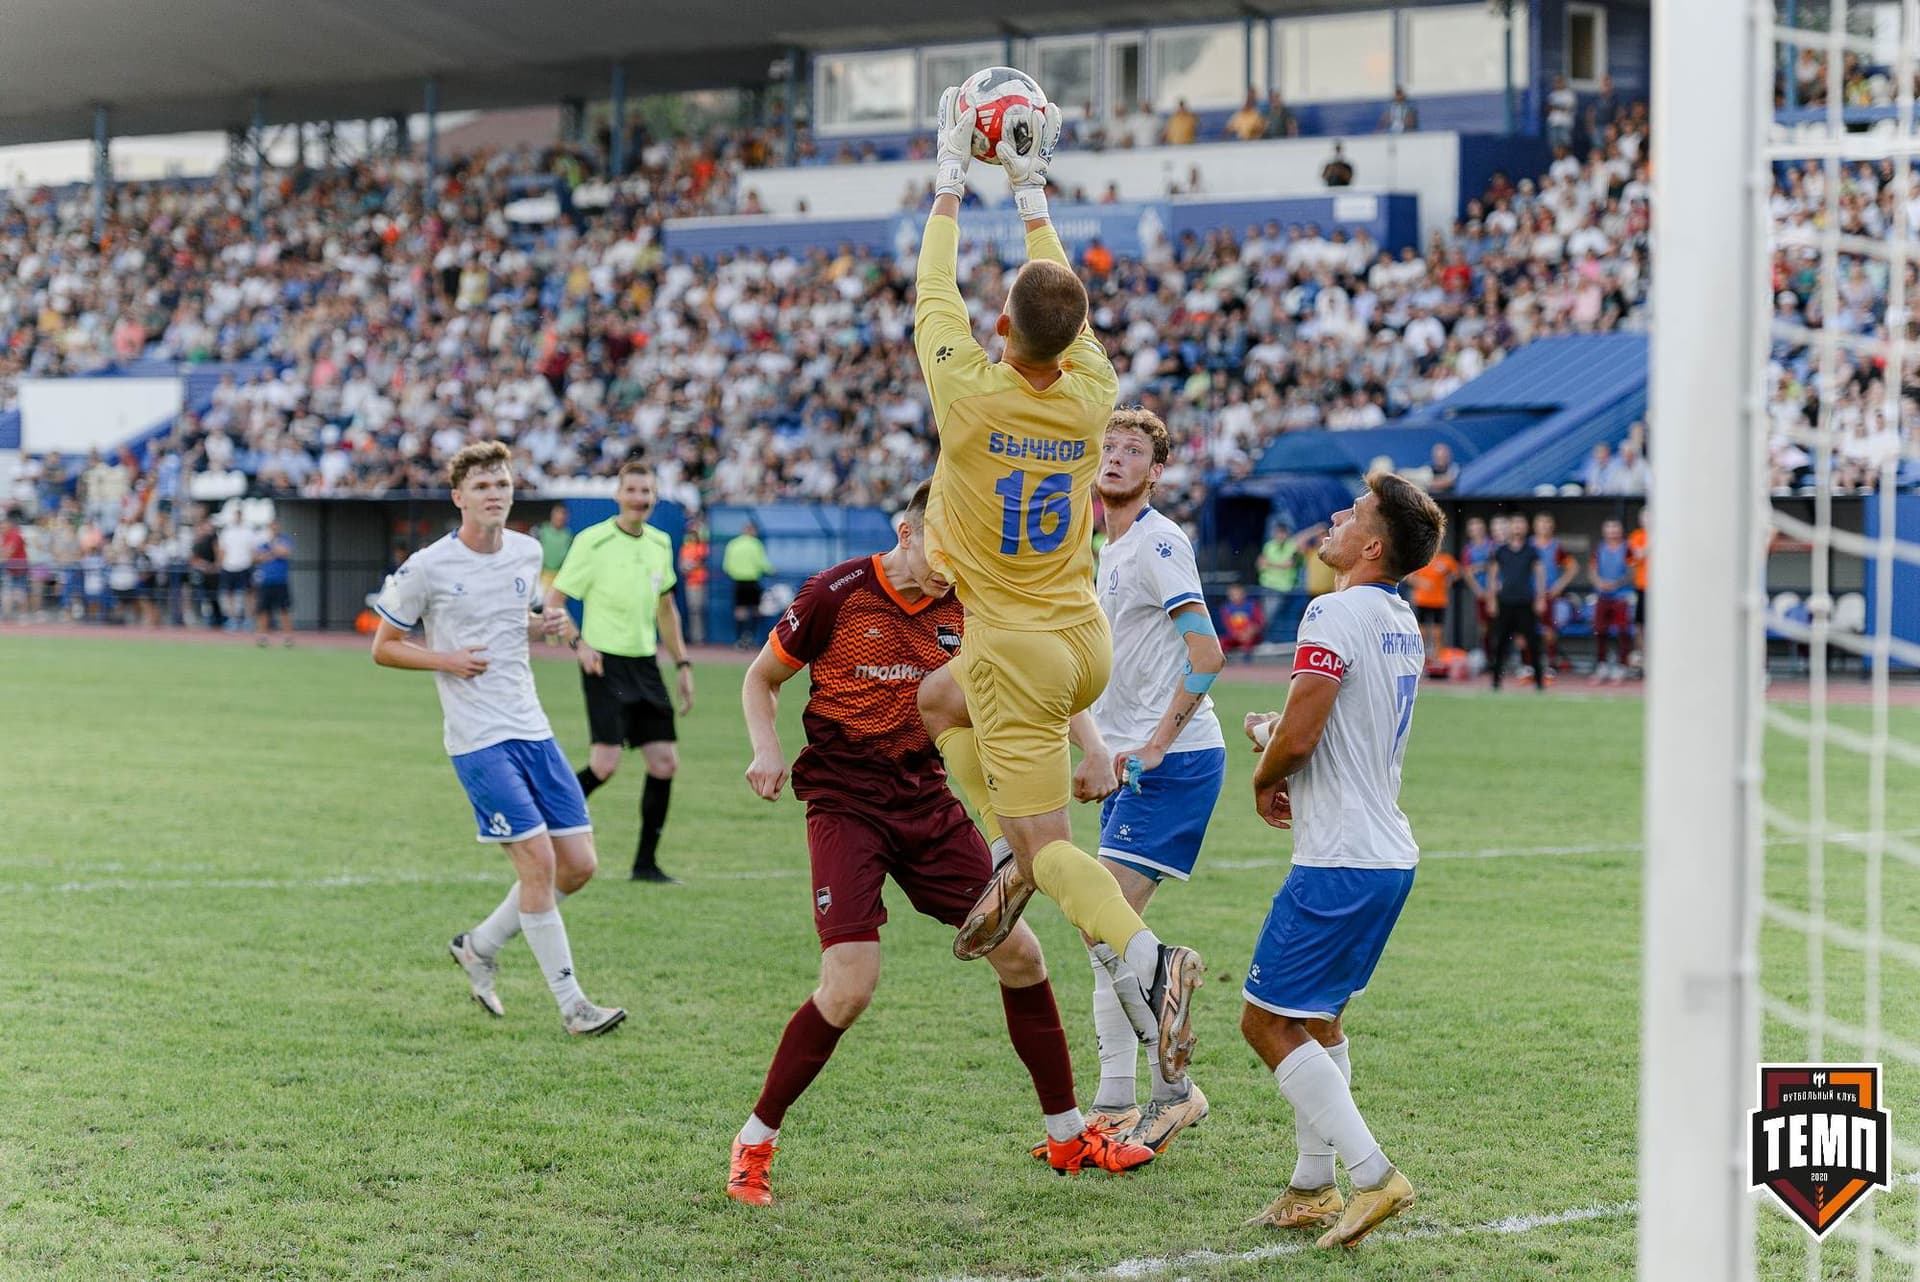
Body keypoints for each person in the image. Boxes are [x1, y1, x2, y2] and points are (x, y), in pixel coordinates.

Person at [729, 481, 1154, 1206]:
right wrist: (765, 749)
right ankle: (754, 1144)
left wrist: (1093, 747)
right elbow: (761, 678)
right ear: (905, 530)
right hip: (845, 801)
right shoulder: (837, 592)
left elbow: (1043, 680)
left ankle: (1066, 1134)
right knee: (851, 984)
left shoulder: (972, 604)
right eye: (938, 544)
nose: (947, 563)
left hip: (926, 798)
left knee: (1020, 954)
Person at [909, 83, 1205, 1087]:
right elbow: (1060, 296)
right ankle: (1007, 852)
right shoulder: (1094, 394)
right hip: (1084, 639)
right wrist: (1030, 185)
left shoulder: (968, 396)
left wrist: (953, 178)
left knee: (1048, 854)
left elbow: (931, 292)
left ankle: (1153, 958)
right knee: (928, 701)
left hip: (1019, 655)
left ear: (1003, 322)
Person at [1240, 471, 1443, 1248]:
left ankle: (1373, 1175)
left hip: (1340, 859)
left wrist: (1265, 774)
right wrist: (1277, 735)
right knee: (1317, 1018)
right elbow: (1331, 725)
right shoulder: (1398, 617)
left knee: (1263, 1023)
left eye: (1352, 512)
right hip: (1385, 852)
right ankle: (1310, 1186)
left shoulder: (1331, 609)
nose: (1334, 516)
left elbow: (1304, 737)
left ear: (1371, 544)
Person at [371, 440, 625, 1038]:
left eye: (503, 485)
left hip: (532, 727)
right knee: (538, 864)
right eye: (483, 486)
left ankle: (479, 944)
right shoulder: (428, 565)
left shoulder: (527, 551)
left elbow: (519, 620)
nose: (496, 494)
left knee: (579, 866)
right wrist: (447, 659)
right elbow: (383, 646)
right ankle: (573, 1006)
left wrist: (552, 625)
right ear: (459, 497)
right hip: (478, 739)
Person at [1070, 408, 1226, 1153]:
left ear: (1157, 471)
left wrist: (1157, 743)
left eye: (1134, 451)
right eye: (1109, 447)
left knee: (1101, 922)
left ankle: (1174, 1091)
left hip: (1177, 760)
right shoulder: (1106, 545)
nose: (1117, 458)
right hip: (1128, 762)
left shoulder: (1159, 541)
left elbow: (1207, 652)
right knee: (1097, 933)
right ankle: (1115, 1103)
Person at [546, 457, 695, 884]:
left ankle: (645, 865)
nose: (638, 499)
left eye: (646, 492)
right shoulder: (592, 542)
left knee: (665, 762)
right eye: (631, 491)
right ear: (617, 495)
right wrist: (579, 644)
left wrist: (682, 663)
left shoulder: (661, 543)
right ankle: (544, 821)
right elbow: (554, 603)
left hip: (645, 664)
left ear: (655, 497)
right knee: (605, 764)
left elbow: (667, 610)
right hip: (604, 663)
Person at [1484, 514, 1547, 691]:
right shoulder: (1501, 550)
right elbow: (1492, 575)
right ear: (1509, 527)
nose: (1518, 527)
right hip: (1505, 602)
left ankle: (1539, 682)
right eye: (1515, 524)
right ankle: (1496, 681)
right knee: (1501, 643)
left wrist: (1541, 598)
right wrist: (1491, 599)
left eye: (1521, 523)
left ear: (1526, 527)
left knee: (1533, 642)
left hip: (1526, 602)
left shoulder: (1531, 550)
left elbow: (1539, 574)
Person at [1531, 513, 1578, 672]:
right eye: (1541, 523)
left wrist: (1559, 585)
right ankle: (1529, 664)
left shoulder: (1556, 547)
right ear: (1534, 526)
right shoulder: (1528, 545)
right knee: (1526, 630)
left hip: (1549, 594)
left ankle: (1550, 663)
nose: (1544, 526)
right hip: (1529, 594)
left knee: (1549, 630)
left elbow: (1573, 567)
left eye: (1547, 523)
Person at [1589, 519, 1634, 683]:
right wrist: (1599, 582)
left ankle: (1622, 666)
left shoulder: (1627, 548)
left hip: (1621, 595)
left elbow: (1632, 572)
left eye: (1616, 528)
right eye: (1609, 528)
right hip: (1602, 595)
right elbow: (1592, 570)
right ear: (1604, 531)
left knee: (1623, 631)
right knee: (1600, 631)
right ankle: (1602, 665)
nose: (1613, 531)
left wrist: (1616, 583)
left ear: (1621, 531)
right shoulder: (1599, 548)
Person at [722, 519, 774, 649]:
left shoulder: (733, 544)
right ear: (752, 530)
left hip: (738, 581)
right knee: (756, 610)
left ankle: (740, 639)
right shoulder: (755, 544)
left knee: (740, 611)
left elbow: (726, 566)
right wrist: (772, 571)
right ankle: (750, 636)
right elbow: (762, 564)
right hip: (752, 581)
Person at [1406, 546, 1457, 660]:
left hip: (1439, 601)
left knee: (1437, 634)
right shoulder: (1421, 559)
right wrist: (1422, 582)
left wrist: (1449, 580)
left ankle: (1437, 660)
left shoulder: (1446, 559)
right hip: (1422, 600)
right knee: (1422, 633)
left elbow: (1457, 572)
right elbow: (1409, 578)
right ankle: (1420, 660)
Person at [1460, 516, 1498, 657]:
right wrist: (1478, 590)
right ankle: (1488, 656)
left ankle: (1502, 655)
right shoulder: (1468, 549)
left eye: (1479, 527)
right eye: (1473, 528)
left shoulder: (1492, 545)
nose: (1476, 530)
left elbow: (1495, 565)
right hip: (1481, 592)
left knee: (1500, 624)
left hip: (1496, 590)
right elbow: (1466, 572)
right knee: (1484, 627)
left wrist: (1480, 567)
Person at [253, 520, 295, 647]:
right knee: (263, 610)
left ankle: (288, 637)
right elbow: (257, 558)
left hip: (281, 581)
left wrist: (273, 549)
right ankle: (262, 637)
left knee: (284, 609)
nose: (274, 529)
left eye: (276, 526)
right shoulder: (263, 542)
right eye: (271, 527)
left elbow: (285, 553)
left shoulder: (284, 540)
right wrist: (270, 553)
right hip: (266, 581)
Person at [216, 515, 257, 630]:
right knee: (229, 594)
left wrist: (252, 563)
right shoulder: (227, 531)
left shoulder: (248, 531)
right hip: (229, 566)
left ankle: (249, 619)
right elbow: (221, 549)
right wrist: (220, 563)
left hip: (245, 566)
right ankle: (233, 619)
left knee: (248, 594)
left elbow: (252, 550)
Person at [1219, 584, 1265, 663]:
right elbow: (1228, 626)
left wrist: (1249, 632)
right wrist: (1238, 634)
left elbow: (1259, 622)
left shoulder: (1252, 605)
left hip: (1250, 636)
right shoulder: (1226, 608)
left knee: (1248, 642)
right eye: (1233, 594)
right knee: (1221, 642)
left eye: (1237, 593)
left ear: (1243, 593)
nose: (1235, 596)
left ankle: (1247, 662)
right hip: (1235, 636)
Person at [533, 503, 572, 592]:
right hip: (542, 575)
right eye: (557, 514)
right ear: (552, 515)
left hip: (559, 576)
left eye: (563, 514)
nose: (560, 517)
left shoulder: (568, 535)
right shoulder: (540, 530)